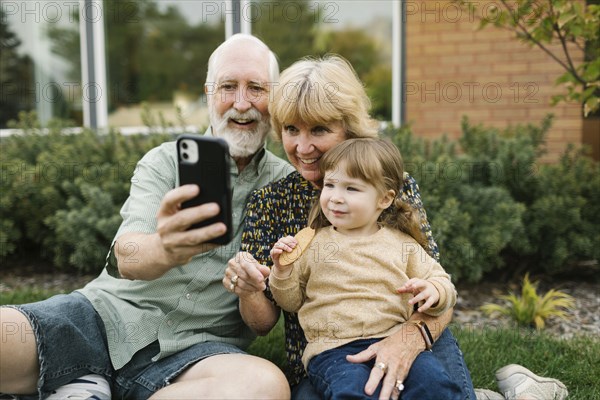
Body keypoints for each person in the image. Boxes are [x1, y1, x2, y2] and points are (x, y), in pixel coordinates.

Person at [0, 33, 293, 399]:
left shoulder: (287, 186)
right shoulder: (165, 161)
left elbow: (263, 322)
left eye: (256, 89)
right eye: (228, 87)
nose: (241, 103)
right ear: (208, 95)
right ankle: (85, 384)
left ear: (275, 98)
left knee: (265, 386)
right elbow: (127, 255)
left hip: (199, 356)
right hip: (102, 320)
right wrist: (165, 248)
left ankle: (79, 389)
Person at [223, 54, 477, 400]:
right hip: (328, 354)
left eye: (320, 129)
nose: (303, 146)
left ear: (349, 129)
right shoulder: (270, 202)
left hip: (410, 332)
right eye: (291, 129)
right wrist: (251, 289)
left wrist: (404, 341)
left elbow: (435, 287)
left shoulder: (391, 184)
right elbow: (264, 320)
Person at [268, 138, 462, 399]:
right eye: (330, 185)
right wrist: (281, 272)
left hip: (395, 339)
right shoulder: (311, 243)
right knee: (353, 392)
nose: (336, 197)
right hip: (334, 351)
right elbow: (290, 302)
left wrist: (434, 290)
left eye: (351, 189)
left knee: (434, 385)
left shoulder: (402, 244)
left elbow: (441, 280)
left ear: (384, 198)